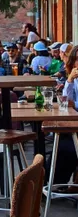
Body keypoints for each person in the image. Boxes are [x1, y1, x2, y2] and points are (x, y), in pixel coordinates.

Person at [52, 45, 78, 185]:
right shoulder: (75, 78)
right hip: (73, 123)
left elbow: (71, 104)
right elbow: (67, 102)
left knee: (64, 147)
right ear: (73, 62)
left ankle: (53, 185)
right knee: (60, 143)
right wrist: (69, 81)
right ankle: (51, 185)